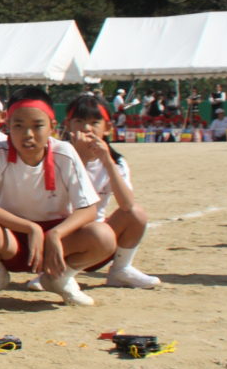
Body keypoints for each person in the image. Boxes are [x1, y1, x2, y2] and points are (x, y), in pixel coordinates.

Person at [0, 90, 114, 309]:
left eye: (37, 126)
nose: (28, 134)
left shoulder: (64, 152)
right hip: (12, 237)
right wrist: (30, 228)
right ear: (7, 127)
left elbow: (89, 209)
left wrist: (55, 233)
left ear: (52, 127)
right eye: (18, 126)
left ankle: (59, 277)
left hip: (56, 241)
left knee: (103, 237)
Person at [63, 95, 158, 288]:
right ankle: (58, 272)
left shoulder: (116, 162)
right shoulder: (57, 156)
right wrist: (80, 157)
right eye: (79, 121)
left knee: (136, 213)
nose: (86, 129)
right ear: (68, 125)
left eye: (94, 122)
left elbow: (127, 205)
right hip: (62, 237)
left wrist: (107, 162)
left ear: (107, 127)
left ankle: (121, 269)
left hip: (100, 241)